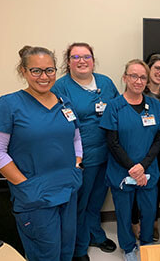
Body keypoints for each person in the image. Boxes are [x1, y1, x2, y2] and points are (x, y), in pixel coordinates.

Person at [0, 46, 83, 261]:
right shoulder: (8, 104)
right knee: (46, 255)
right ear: (23, 71)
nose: (44, 76)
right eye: (36, 71)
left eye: (49, 70)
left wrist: (76, 166)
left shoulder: (64, 103)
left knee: (66, 251)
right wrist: (25, 186)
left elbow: (76, 137)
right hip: (35, 197)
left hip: (67, 189)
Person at [51, 42, 118, 260]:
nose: (82, 61)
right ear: (68, 62)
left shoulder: (106, 83)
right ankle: (79, 247)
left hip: (107, 153)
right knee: (79, 203)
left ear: (93, 60)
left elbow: (118, 111)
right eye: (76, 57)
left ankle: (95, 234)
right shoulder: (60, 87)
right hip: (81, 156)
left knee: (97, 199)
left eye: (86, 56)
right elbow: (54, 121)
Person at [99, 59, 160, 261]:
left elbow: (159, 140)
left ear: (147, 80)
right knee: (124, 213)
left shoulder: (154, 105)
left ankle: (146, 245)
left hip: (148, 170)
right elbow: (112, 143)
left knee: (148, 211)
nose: (138, 81)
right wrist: (132, 168)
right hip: (122, 170)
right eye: (134, 76)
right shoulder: (114, 106)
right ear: (125, 77)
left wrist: (143, 167)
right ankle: (128, 248)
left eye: (142, 77)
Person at [131, 54, 160, 242]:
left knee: (155, 185)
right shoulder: (138, 89)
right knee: (135, 185)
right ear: (148, 69)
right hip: (137, 149)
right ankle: (134, 222)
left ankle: (153, 222)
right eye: (157, 68)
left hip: (159, 149)